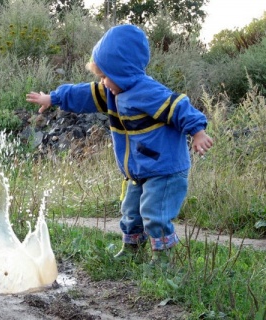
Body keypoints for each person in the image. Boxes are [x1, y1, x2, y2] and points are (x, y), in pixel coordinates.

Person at [26, 24, 213, 265]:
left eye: (105, 76)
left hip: (164, 169)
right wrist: (53, 98)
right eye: (100, 76)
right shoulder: (111, 93)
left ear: (123, 71)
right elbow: (83, 94)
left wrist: (197, 132)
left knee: (155, 214)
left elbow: (179, 106)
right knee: (131, 212)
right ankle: (131, 249)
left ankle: (163, 258)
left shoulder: (148, 92)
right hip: (138, 170)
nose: (102, 82)